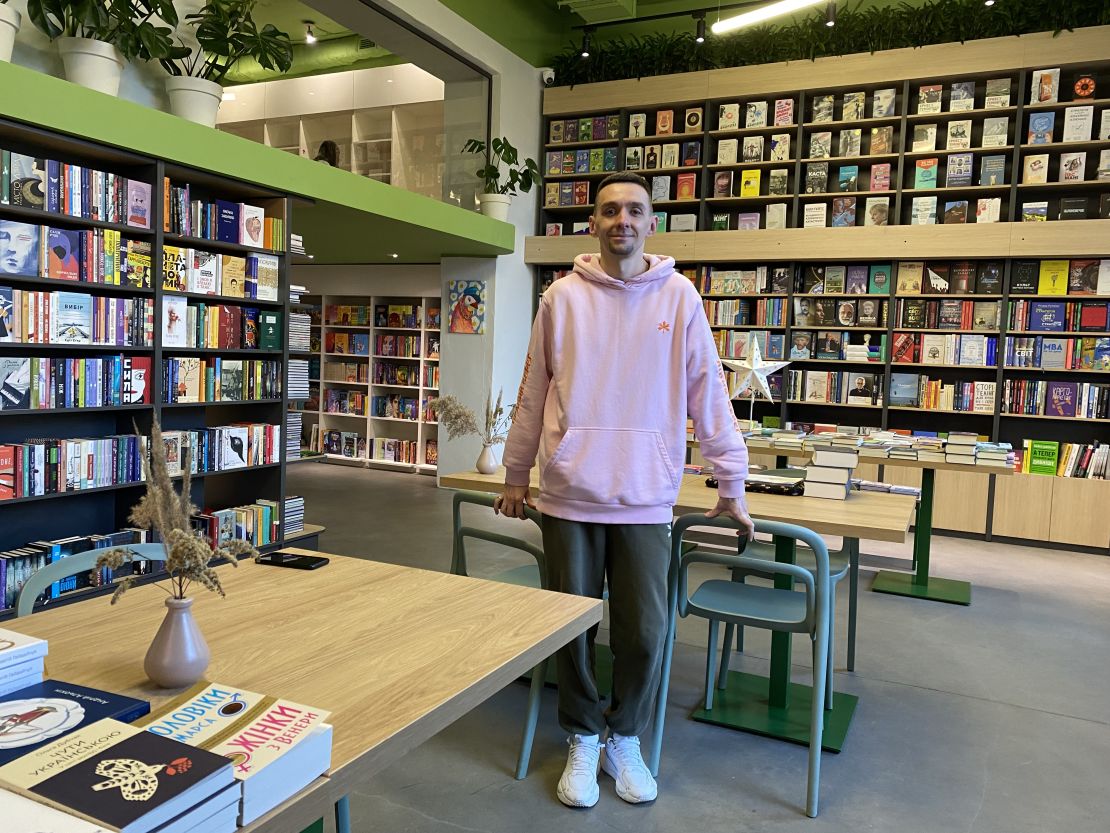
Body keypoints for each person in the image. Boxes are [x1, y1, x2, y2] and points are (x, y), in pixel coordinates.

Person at [496, 172, 753, 809]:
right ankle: (584, 734)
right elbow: (533, 392)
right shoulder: (560, 297)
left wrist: (731, 480)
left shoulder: (680, 298)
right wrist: (514, 472)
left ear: (651, 223)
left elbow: (708, 393)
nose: (622, 221)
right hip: (569, 493)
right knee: (569, 627)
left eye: (634, 210)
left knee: (644, 631)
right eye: (610, 210)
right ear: (593, 223)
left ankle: (625, 736)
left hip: (645, 495)